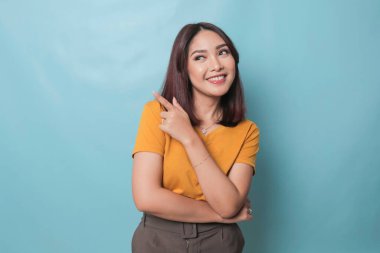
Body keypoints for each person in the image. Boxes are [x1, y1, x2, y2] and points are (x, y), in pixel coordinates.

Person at [131, 22, 260, 253]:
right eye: (200, 57)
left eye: (223, 52)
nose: (216, 65)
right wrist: (219, 216)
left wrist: (190, 138)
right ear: (183, 68)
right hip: (158, 239)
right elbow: (145, 197)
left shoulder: (247, 131)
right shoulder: (158, 115)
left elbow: (229, 205)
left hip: (219, 242)